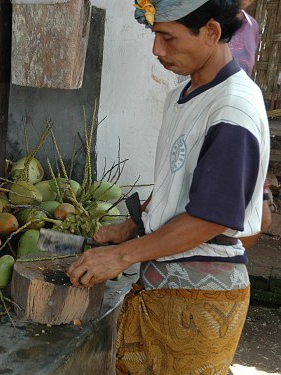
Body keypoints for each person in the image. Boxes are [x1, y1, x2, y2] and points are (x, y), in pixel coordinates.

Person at [68, 1, 270, 374]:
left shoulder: (232, 108)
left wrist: (123, 255)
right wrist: (132, 224)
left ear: (210, 32)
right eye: (155, 35)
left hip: (199, 301)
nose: (157, 50)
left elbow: (210, 217)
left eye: (168, 38)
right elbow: (184, 184)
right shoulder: (187, 94)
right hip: (165, 290)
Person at [228, 0, 276, 249]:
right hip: (220, 125)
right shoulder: (209, 20)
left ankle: (226, 267)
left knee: (262, 217)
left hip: (245, 129)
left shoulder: (251, 26)